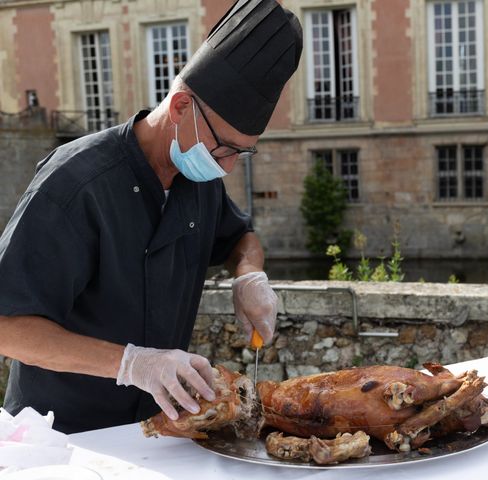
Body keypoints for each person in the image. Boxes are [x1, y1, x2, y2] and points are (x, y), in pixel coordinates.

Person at [0, 0, 302, 434]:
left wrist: (249, 276)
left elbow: (241, 236)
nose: (229, 167)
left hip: (157, 432)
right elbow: (8, 327)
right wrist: (130, 363)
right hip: (62, 439)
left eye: (242, 151)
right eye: (225, 147)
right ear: (180, 107)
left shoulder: (199, 179)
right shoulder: (76, 182)